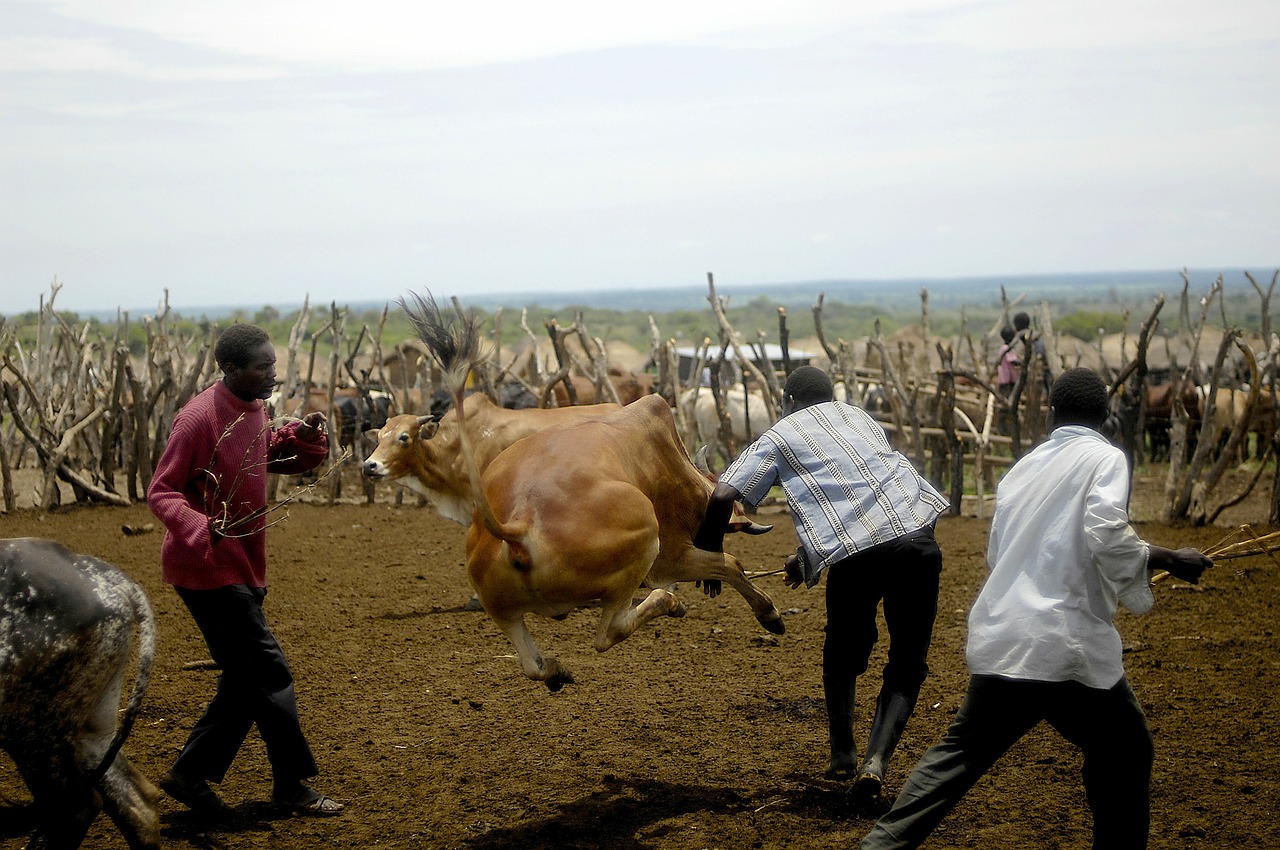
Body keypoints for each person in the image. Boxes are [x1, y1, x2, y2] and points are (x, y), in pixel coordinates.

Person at [859, 368, 1211, 849]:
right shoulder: (1104, 458)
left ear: (1049, 412)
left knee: (956, 757)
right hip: (1065, 644)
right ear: (1107, 415)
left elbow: (998, 555)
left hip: (1006, 634)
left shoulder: (1022, 469)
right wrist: (1169, 558)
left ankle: (879, 845)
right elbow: (1107, 533)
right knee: (1127, 750)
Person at [695, 365, 949, 804]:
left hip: (860, 555)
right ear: (830, 396)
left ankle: (843, 753)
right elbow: (866, 497)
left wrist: (708, 555)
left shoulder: (780, 434)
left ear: (787, 401)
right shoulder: (859, 416)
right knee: (908, 660)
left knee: (841, 652)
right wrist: (804, 558)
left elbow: (720, 496)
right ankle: (876, 763)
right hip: (918, 539)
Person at [147, 323, 345, 818]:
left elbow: (263, 454)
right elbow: (161, 491)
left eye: (273, 365)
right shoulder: (197, 420)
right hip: (207, 568)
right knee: (270, 671)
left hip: (243, 562)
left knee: (243, 679)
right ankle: (291, 786)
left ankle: (189, 776)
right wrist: (201, 525)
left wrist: (299, 438)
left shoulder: (255, 409)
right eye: (263, 367)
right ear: (230, 369)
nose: (272, 374)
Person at [995, 325, 1020, 399]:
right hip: (1006, 376)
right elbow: (1012, 361)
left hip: (1008, 376)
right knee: (1006, 394)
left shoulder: (1006, 348)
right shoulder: (1006, 348)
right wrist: (1021, 363)